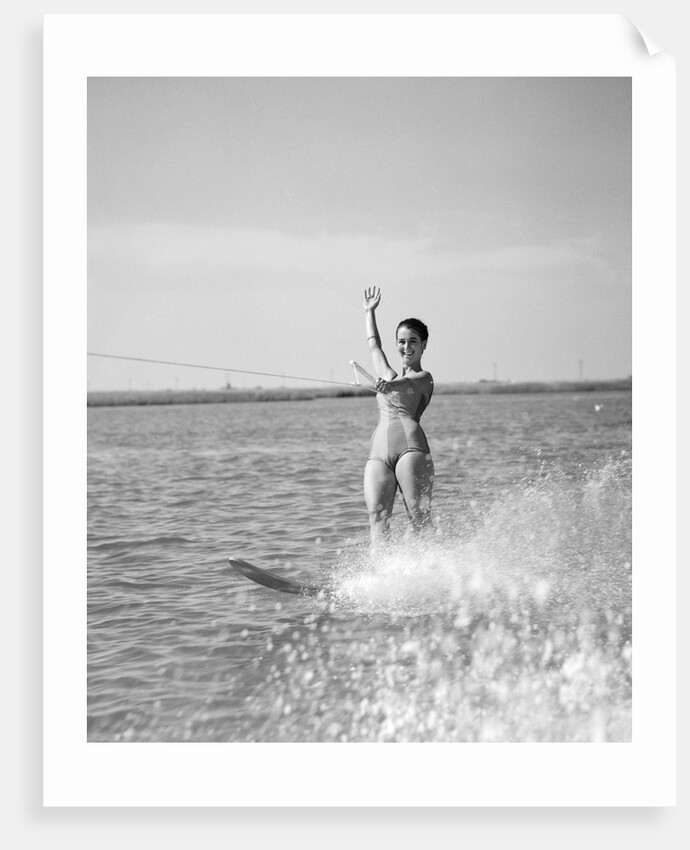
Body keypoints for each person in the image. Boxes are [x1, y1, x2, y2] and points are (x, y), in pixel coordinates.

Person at [362, 286, 435, 548]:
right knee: (377, 518)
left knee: (418, 517)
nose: (406, 346)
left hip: (411, 452)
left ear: (423, 345)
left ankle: (432, 573)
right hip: (378, 454)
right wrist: (369, 312)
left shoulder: (424, 378)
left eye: (413, 341)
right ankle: (381, 580)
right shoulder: (387, 375)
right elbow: (374, 346)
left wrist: (389, 386)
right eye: (402, 341)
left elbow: (408, 385)